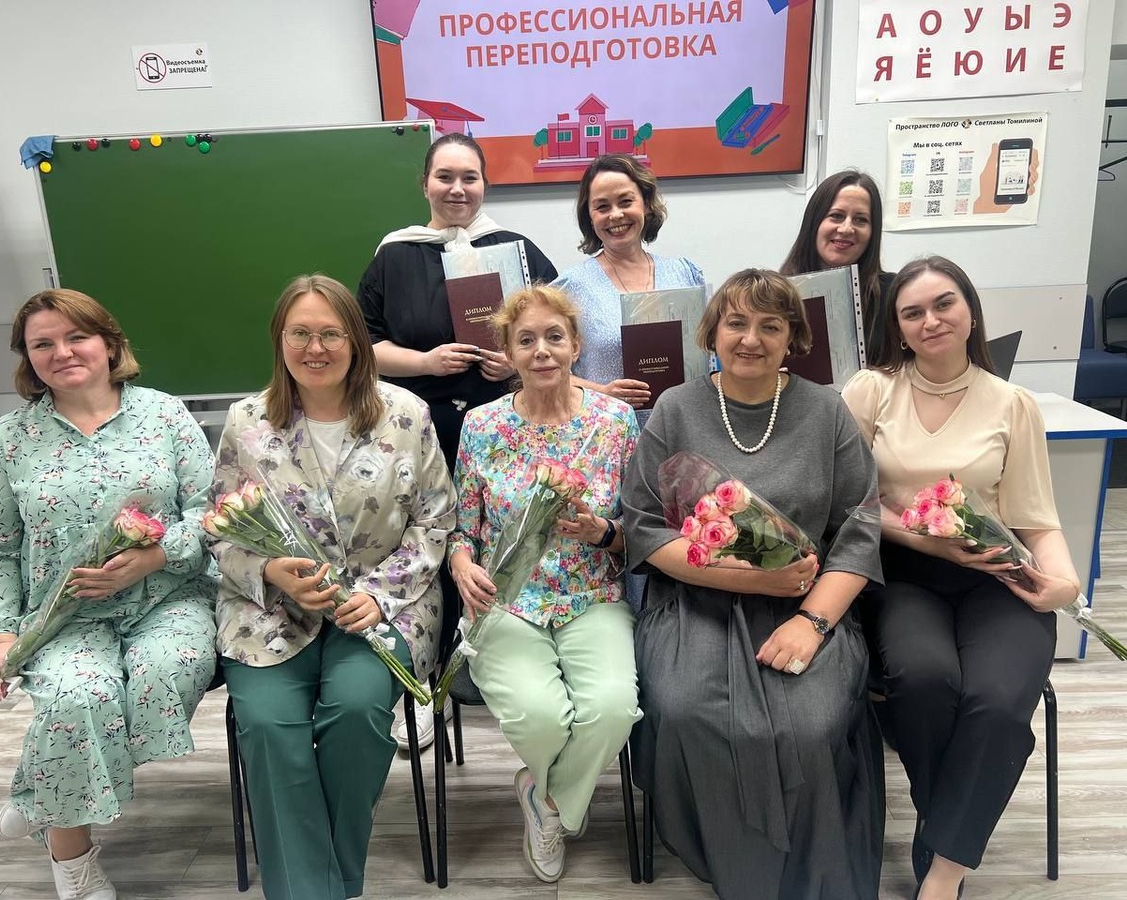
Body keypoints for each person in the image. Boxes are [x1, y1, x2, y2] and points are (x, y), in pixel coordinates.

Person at [623, 269, 885, 899]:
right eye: (736, 323)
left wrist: (812, 622)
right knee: (686, 711)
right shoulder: (675, 408)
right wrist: (737, 576)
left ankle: (810, 873)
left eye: (771, 326)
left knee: (812, 725)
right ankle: (729, 864)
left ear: (793, 338)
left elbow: (859, 529)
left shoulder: (825, 410)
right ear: (711, 332)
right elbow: (643, 526)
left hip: (805, 602)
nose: (751, 339)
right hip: (694, 602)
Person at [0, 289, 218, 900]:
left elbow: (210, 513)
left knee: (164, 673)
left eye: (76, 337)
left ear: (108, 343)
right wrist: (0, 639)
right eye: (43, 344)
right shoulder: (11, 438)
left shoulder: (164, 415)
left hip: (168, 598)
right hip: (63, 615)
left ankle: (39, 790)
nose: (62, 352)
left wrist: (155, 556)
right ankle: (71, 858)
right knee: (77, 697)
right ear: (28, 358)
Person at [841, 257, 1080, 900]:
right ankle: (948, 815)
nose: (931, 321)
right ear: (896, 327)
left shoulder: (1012, 403)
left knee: (998, 701)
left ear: (970, 310)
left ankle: (943, 870)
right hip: (903, 572)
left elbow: (1035, 518)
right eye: (912, 312)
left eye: (943, 304)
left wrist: (1063, 583)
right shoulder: (870, 391)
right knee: (924, 680)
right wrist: (920, 538)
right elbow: (848, 502)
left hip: (997, 574)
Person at [212, 274, 455, 900]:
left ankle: (318, 884)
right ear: (279, 340)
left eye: (331, 334)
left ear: (357, 342)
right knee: (268, 726)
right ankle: (322, 889)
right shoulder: (246, 422)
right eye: (300, 333)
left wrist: (379, 594)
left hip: (382, 609)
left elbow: (436, 521)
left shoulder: (406, 414)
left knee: (355, 711)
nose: (315, 348)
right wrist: (269, 572)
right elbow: (219, 527)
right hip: (271, 612)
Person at [358, 132, 557, 750]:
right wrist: (425, 362)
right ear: (425, 183)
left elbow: (555, 335)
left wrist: (513, 362)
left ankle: (501, 668)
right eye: (445, 176)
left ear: (485, 184)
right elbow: (363, 346)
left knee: (503, 545)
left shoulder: (517, 250)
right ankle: (429, 687)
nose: (457, 188)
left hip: (505, 427)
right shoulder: (394, 255)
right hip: (422, 428)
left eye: (469, 177)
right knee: (434, 548)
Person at [448, 284, 642, 884]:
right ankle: (557, 797)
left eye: (554, 337)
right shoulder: (481, 425)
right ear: (508, 353)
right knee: (541, 718)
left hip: (593, 595)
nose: (542, 351)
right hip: (506, 599)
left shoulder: (616, 422)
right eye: (526, 340)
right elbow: (462, 529)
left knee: (613, 710)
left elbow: (640, 529)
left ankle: (546, 799)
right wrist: (461, 564)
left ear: (576, 346)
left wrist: (602, 531)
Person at [553, 153, 705, 411]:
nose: (615, 215)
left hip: (682, 423)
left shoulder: (685, 274)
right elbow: (542, 369)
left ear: (645, 204)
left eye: (626, 201)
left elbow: (708, 353)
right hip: (607, 426)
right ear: (589, 217)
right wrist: (601, 393)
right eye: (602, 207)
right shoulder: (570, 288)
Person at [779, 169, 891, 363]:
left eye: (861, 220)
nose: (846, 229)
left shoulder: (894, 295)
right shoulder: (778, 295)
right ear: (814, 222)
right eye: (836, 215)